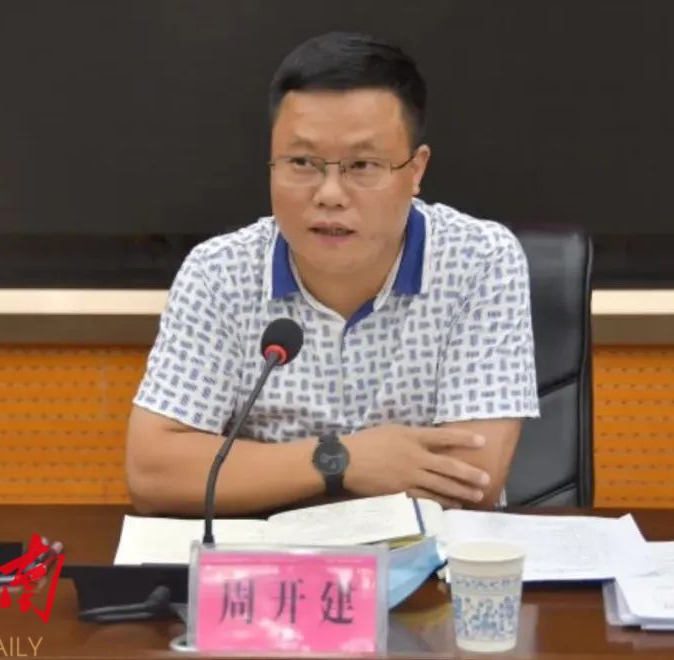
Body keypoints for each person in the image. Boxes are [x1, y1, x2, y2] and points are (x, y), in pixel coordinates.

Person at [126, 31, 538, 517]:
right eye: (302, 162)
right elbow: (154, 472)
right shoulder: (218, 273)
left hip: (428, 556)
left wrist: (264, 474)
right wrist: (342, 460)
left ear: (415, 170)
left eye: (363, 165)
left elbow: (470, 478)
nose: (330, 194)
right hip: (269, 556)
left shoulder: (480, 261)